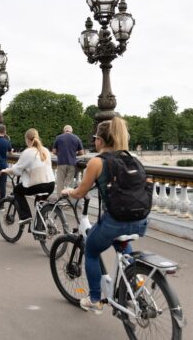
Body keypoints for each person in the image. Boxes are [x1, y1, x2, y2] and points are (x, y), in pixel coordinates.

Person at [61, 117, 148, 314]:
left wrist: (69, 192)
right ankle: (136, 283)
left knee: (91, 251)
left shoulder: (97, 162)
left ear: (99, 140)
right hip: (141, 220)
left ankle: (94, 300)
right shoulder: (131, 158)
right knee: (123, 245)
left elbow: (80, 192)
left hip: (115, 221)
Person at [0, 128, 55, 224]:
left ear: (27, 139)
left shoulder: (28, 152)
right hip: (51, 184)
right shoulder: (45, 150)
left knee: (17, 190)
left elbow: (17, 170)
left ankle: (26, 216)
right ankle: (41, 227)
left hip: (38, 184)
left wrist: (5, 170)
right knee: (39, 204)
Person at [53, 125, 84, 196]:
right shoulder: (76, 138)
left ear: (64, 131)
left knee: (60, 182)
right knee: (69, 182)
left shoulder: (58, 138)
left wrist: (60, 154)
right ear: (71, 131)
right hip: (72, 163)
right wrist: (74, 154)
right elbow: (82, 152)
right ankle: (67, 200)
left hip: (61, 162)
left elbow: (54, 151)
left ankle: (59, 200)